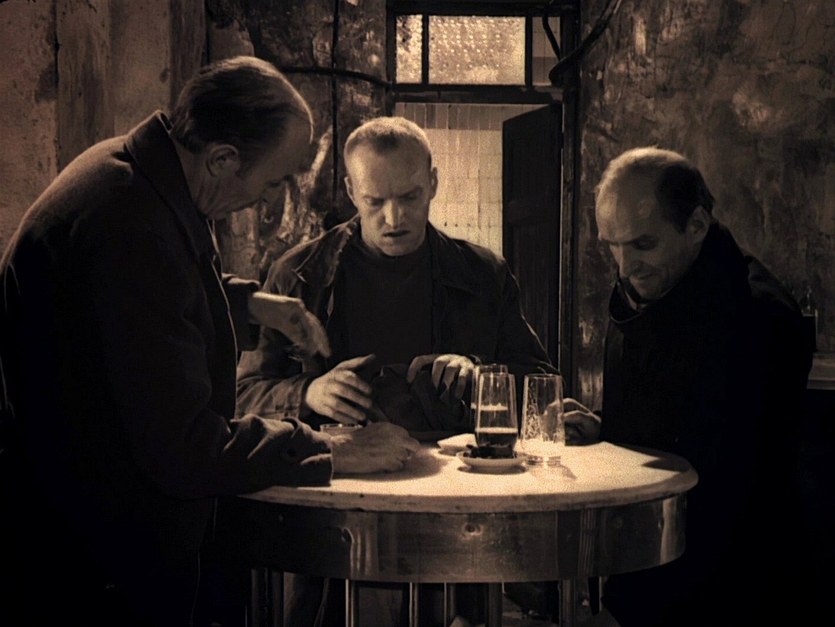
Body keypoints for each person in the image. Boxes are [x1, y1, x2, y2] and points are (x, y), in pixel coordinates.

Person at [0, 56, 418, 627]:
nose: (268, 200)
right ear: (222, 159)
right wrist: (329, 449)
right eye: (271, 181)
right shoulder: (129, 225)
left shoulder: (137, 173)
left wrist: (249, 303)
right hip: (91, 554)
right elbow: (183, 447)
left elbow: (149, 303)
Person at [235, 115, 555, 625]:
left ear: (434, 182)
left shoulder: (482, 274)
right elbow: (243, 395)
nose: (394, 217)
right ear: (350, 191)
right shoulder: (297, 274)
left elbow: (541, 387)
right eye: (374, 201)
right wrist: (309, 393)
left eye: (409, 197)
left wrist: (479, 376)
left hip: (453, 516)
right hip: (335, 513)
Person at [564, 147, 813, 627]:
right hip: (649, 572)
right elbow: (669, 411)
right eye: (612, 246)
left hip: (733, 591)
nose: (625, 267)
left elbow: (727, 493)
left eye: (642, 244)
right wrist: (608, 427)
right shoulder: (653, 283)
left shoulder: (759, 318)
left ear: (696, 224)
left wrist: (629, 610)